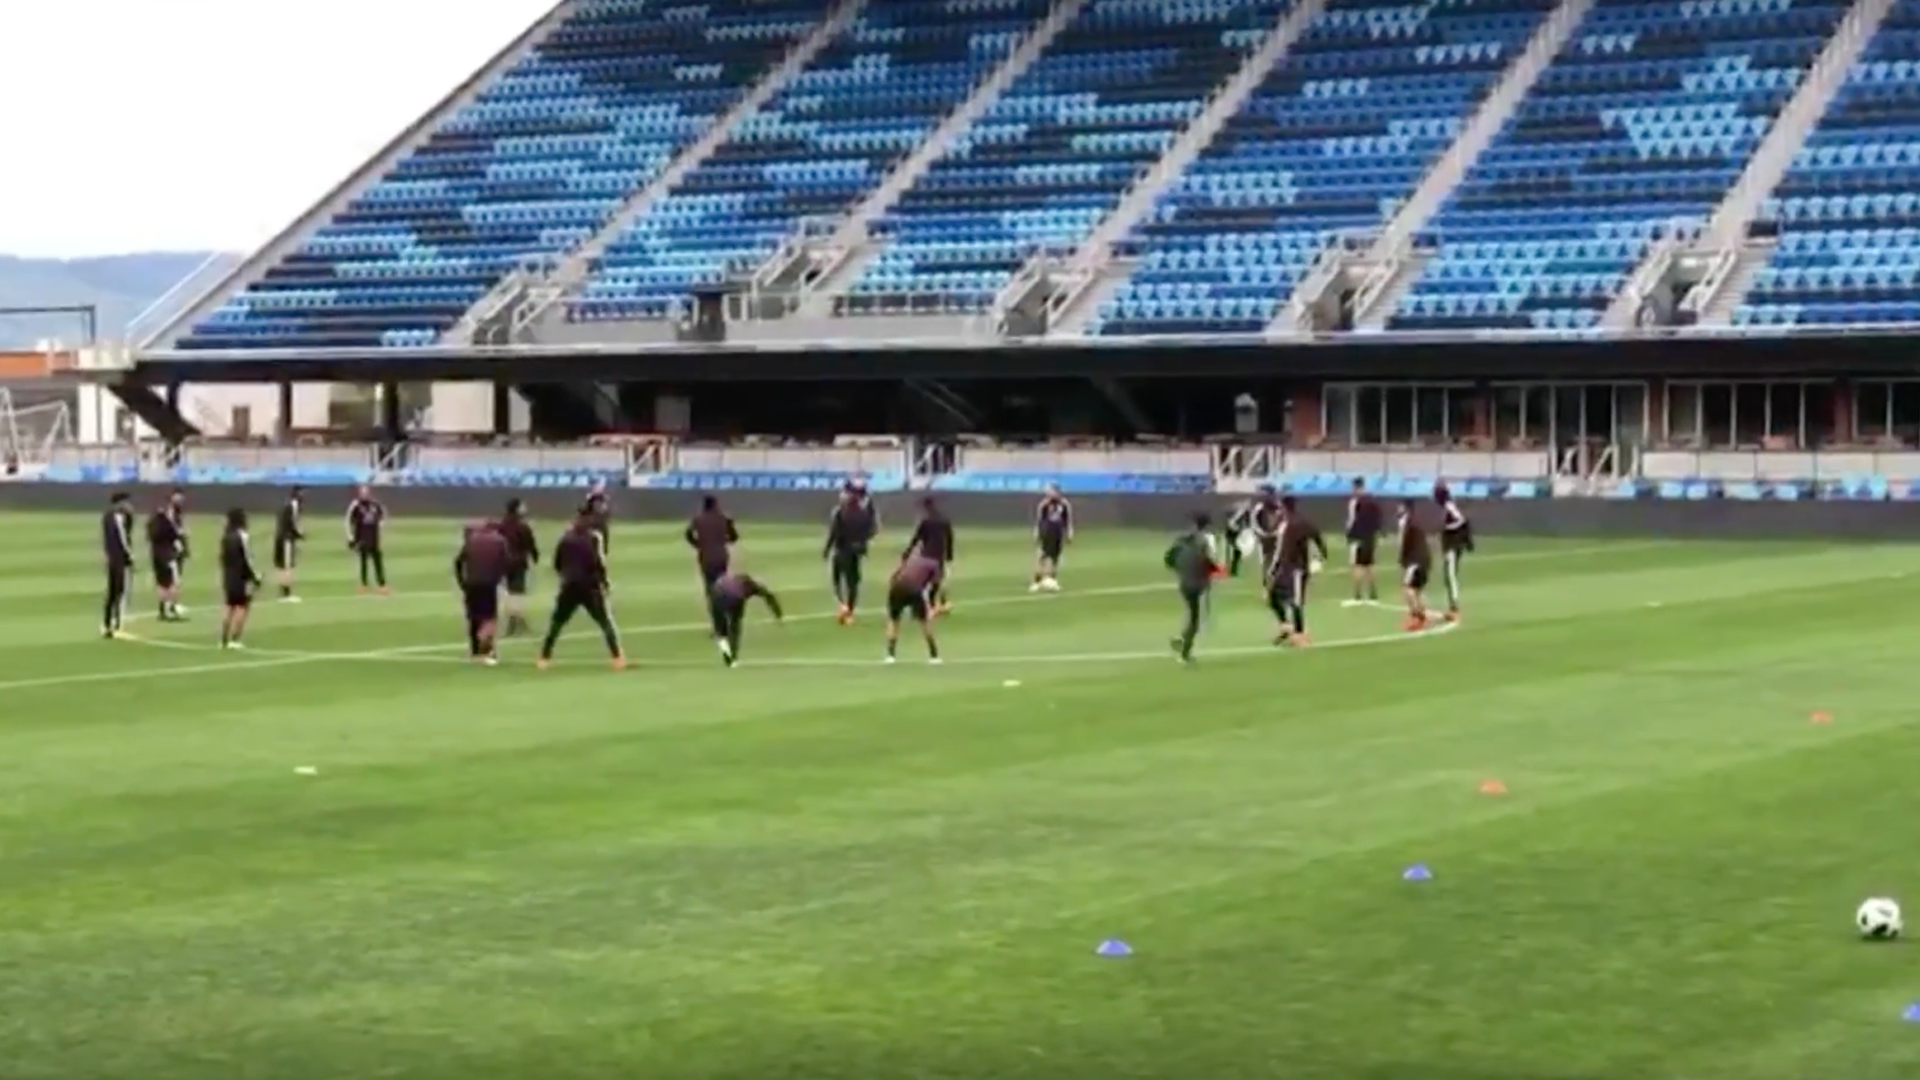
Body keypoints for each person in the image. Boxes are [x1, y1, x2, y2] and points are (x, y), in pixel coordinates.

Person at [537, 513, 626, 670]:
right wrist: (605, 583)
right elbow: (598, 562)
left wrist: (564, 575)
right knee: (605, 621)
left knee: (557, 622)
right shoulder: (593, 538)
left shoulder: (565, 539)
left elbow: (557, 562)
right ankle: (617, 658)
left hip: (569, 584)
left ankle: (544, 658)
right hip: (590, 585)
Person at [1267, 495, 1328, 646]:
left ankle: (1300, 635)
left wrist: (1273, 569)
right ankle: (1287, 627)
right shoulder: (1297, 522)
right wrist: (1322, 554)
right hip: (1287, 567)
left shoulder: (1292, 524)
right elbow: (1318, 537)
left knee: (1296, 601)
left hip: (1296, 568)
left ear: (1284, 507)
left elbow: (1279, 550)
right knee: (1273, 596)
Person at [1164, 511, 1221, 664]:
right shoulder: (1208, 539)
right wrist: (1217, 570)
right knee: (1198, 619)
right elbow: (1211, 560)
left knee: (1193, 615)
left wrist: (1182, 571)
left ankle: (1182, 639)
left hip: (1184, 583)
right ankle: (1184, 652)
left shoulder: (1181, 540)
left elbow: (1168, 560)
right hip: (1200, 584)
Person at [454, 520, 511, 666]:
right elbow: (506, 563)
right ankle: (487, 649)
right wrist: (500, 579)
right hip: (489, 583)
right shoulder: (500, 541)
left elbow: (458, 562)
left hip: (471, 583)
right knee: (489, 617)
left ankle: (475, 650)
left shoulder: (472, 540)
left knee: (473, 617)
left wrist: (462, 582)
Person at [823, 480, 878, 624]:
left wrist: (827, 549)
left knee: (837, 579)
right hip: (856, 551)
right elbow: (871, 531)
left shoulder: (840, 513)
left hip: (842, 550)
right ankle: (850, 610)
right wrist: (862, 544)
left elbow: (834, 533)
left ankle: (843, 605)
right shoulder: (863, 514)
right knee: (853, 582)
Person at [708, 571, 785, 666]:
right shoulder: (752, 587)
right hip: (729, 595)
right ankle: (732, 657)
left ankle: (725, 647)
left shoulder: (738, 581)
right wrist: (778, 615)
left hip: (717, 593)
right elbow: (769, 597)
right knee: (735, 626)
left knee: (721, 629)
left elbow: (768, 596)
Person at [885, 554, 945, 664]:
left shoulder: (912, 559)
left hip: (896, 587)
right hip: (913, 589)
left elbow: (894, 576)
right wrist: (934, 605)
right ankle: (934, 655)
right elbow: (935, 587)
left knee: (894, 621)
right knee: (924, 622)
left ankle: (890, 655)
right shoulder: (935, 565)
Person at [217, 508, 262, 650]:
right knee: (242, 606)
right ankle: (235, 639)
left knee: (229, 605)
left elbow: (222, 558)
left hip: (228, 575)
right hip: (241, 576)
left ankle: (223, 640)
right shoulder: (242, 536)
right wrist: (255, 577)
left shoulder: (225, 537)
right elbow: (247, 559)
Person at [902, 496, 955, 614]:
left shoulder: (925, 521)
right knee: (937, 580)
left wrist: (907, 552)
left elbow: (916, 538)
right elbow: (949, 538)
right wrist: (949, 555)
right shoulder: (944, 520)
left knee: (923, 581)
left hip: (927, 554)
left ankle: (927, 606)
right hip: (939, 555)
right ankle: (936, 603)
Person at [497, 498, 540, 636]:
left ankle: (516, 620)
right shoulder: (523, 526)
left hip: (504, 562)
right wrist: (535, 557)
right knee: (518, 592)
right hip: (519, 562)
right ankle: (515, 622)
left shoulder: (502, 525)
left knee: (510, 592)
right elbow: (530, 544)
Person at [1435, 482, 1474, 622]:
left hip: (1453, 545)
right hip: (1450, 545)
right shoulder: (1447, 506)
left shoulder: (1449, 505)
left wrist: (1448, 528)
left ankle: (1454, 605)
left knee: (1450, 574)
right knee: (1449, 574)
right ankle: (1452, 603)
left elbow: (1461, 520)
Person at [146, 494, 187, 622]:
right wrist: (182, 548)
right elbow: (176, 536)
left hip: (155, 555)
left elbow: (149, 537)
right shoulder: (167, 523)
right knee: (173, 583)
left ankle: (163, 610)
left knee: (162, 584)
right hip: (168, 556)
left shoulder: (151, 522)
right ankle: (171, 609)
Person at [100, 491, 135, 640]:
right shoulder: (118, 516)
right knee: (119, 590)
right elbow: (122, 538)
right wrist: (130, 554)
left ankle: (107, 624)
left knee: (112, 591)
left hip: (111, 556)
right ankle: (116, 623)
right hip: (119, 558)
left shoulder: (106, 516)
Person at [684, 495, 738, 591]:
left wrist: (697, 544)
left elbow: (688, 535)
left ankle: (711, 597)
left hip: (706, 555)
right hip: (720, 555)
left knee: (709, 582)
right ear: (715, 505)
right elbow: (734, 537)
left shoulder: (698, 520)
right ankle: (722, 597)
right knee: (721, 581)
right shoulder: (724, 519)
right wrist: (724, 540)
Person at [1344, 478, 1383, 606]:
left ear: (1356, 488)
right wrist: (1377, 533)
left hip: (1358, 538)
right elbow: (1378, 519)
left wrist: (1349, 535)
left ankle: (1357, 596)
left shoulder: (1354, 503)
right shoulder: (1372, 501)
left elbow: (1351, 521)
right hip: (1370, 537)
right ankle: (1373, 595)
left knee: (1357, 565)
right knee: (1370, 565)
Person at [1396, 500, 1433, 631]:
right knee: (1417, 590)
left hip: (1415, 560)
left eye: (1400, 507)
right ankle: (1422, 616)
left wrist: (1402, 558)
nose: (1397, 509)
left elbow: (1402, 542)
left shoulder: (1405, 522)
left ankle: (1417, 617)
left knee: (1408, 589)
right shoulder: (1416, 521)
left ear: (1406, 508)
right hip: (1425, 559)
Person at [345, 484, 388, 593]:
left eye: (366, 492)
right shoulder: (356, 505)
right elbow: (348, 520)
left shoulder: (375, 504)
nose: (364, 494)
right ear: (359, 493)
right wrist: (350, 537)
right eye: (362, 492)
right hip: (361, 537)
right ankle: (364, 584)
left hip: (374, 537)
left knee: (377, 560)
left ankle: (382, 584)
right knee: (363, 561)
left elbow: (382, 514)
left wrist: (381, 525)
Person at [1030, 483, 1073, 592]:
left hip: (1057, 534)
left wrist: (1069, 532)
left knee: (1055, 558)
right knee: (1041, 557)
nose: (1050, 493)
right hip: (1046, 534)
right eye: (1049, 491)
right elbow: (1039, 520)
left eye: (1052, 491)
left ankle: (1052, 579)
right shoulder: (1044, 504)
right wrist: (1037, 532)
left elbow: (1067, 520)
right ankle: (1037, 581)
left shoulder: (1064, 504)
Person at [273, 485, 305, 603]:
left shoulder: (286, 504)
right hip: (286, 539)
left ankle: (283, 593)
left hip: (279, 537)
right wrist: (300, 534)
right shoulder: (294, 505)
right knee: (287, 566)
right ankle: (286, 594)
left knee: (282, 566)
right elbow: (294, 522)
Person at [1222, 495, 1257, 577]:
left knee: (1237, 552)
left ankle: (1233, 570)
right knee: (1236, 552)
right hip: (1239, 535)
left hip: (1240, 535)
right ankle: (1233, 569)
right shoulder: (1245, 513)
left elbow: (1248, 525)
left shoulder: (1248, 514)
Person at [580, 480, 612, 553]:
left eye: (599, 488)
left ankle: (604, 551)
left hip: (601, 521)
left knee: (604, 536)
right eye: (596, 488)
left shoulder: (603, 497)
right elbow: (586, 508)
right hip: (592, 521)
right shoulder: (590, 498)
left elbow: (606, 509)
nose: (598, 489)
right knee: (591, 537)